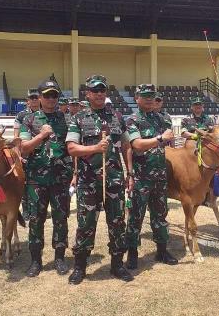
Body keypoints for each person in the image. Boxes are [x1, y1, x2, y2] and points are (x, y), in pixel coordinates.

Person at [65, 74, 134, 285]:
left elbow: (126, 146)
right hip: (88, 182)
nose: (99, 93)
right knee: (85, 224)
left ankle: (117, 265)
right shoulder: (78, 118)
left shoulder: (117, 117)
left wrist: (130, 174)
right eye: (95, 90)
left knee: (117, 223)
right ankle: (80, 267)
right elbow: (71, 148)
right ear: (87, 93)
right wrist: (95, 148)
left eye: (102, 90)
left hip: (114, 180)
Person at [19, 80, 73, 278]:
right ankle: (36, 260)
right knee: (36, 219)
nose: (51, 99)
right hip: (36, 179)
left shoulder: (67, 120)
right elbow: (23, 149)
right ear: (39, 97)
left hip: (60, 178)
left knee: (61, 219)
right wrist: (41, 135)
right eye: (47, 95)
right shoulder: (29, 120)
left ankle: (59, 257)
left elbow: (73, 148)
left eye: (54, 95)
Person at [124, 84, 178, 270]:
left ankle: (162, 251)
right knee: (135, 217)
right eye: (144, 95)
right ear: (137, 98)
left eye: (152, 95)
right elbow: (136, 145)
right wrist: (160, 138)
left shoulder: (161, 119)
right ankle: (132, 254)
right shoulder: (132, 120)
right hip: (141, 178)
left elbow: (170, 143)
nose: (149, 98)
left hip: (160, 176)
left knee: (160, 215)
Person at [14, 88, 41, 219]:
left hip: (42, 154)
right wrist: (17, 154)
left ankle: (39, 208)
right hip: (26, 154)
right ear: (28, 100)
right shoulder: (21, 115)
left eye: (37, 97)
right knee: (25, 183)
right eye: (32, 98)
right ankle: (25, 209)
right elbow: (16, 137)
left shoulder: (45, 113)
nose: (35, 100)